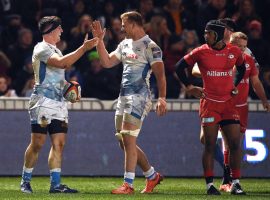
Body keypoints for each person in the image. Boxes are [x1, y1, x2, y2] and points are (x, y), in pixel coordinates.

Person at [91, 11, 167, 194]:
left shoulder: (151, 46)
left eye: (124, 24)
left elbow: (160, 75)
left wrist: (162, 98)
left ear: (134, 24)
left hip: (139, 97)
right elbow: (107, 62)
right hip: (123, 97)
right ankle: (151, 175)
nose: (122, 28)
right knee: (123, 141)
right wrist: (99, 41)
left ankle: (128, 185)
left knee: (128, 137)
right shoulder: (124, 44)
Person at [20, 16, 98, 194]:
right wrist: (84, 48)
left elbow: (58, 78)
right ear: (50, 29)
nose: (62, 31)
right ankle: (25, 181)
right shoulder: (41, 48)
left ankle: (55, 185)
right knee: (38, 143)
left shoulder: (56, 50)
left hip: (58, 103)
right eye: (59, 28)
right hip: (42, 102)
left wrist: (69, 91)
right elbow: (64, 63)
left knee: (59, 144)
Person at [175, 20, 246, 195]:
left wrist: (235, 84)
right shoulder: (201, 51)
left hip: (228, 104)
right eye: (205, 33)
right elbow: (179, 67)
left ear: (219, 35)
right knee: (209, 144)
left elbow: (242, 68)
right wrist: (189, 87)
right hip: (210, 104)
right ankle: (210, 185)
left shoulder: (234, 51)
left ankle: (235, 183)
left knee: (235, 144)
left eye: (210, 33)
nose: (206, 36)